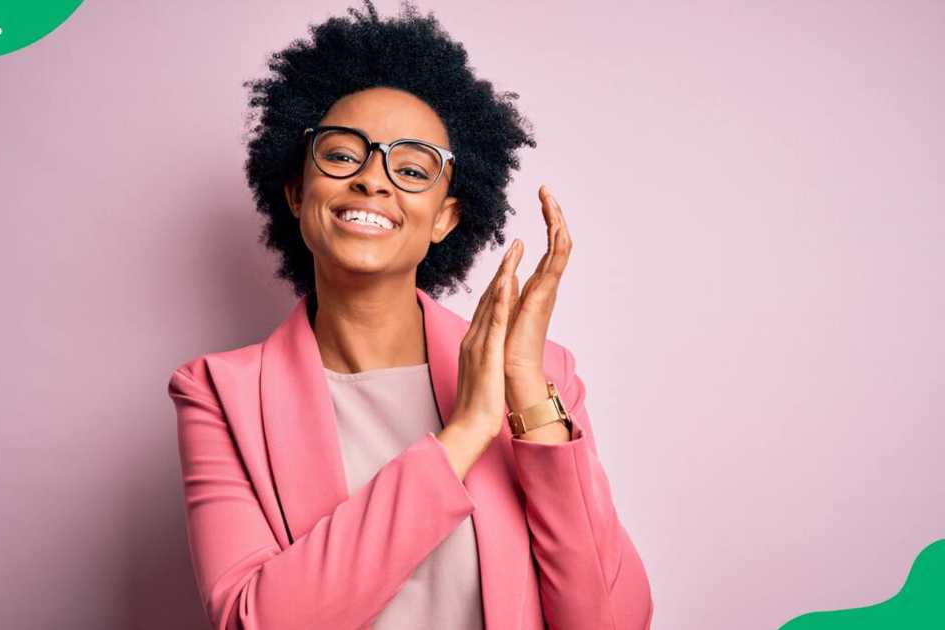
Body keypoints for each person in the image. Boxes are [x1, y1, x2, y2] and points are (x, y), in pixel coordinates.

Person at [167, 2, 653, 628]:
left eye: (413, 168)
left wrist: (524, 396)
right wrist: (468, 430)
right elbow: (256, 621)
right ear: (296, 191)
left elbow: (612, 622)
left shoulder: (541, 381)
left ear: (446, 217)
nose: (374, 180)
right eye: (343, 156)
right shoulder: (218, 395)